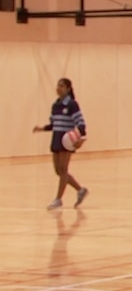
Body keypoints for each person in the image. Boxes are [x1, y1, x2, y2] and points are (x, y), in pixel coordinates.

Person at [32, 78, 89, 211]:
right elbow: (54, 124)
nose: (58, 88)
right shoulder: (55, 105)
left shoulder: (72, 104)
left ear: (68, 89)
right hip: (56, 139)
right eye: (58, 85)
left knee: (63, 170)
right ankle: (80, 190)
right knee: (58, 171)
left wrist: (81, 137)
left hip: (67, 141)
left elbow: (81, 123)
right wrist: (42, 128)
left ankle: (58, 199)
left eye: (62, 86)